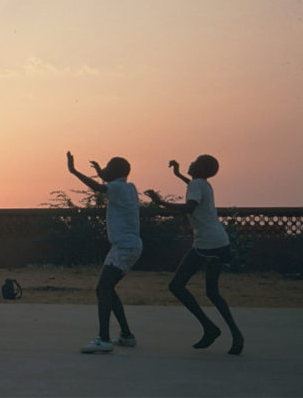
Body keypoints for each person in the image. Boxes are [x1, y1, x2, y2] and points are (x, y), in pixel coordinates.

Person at [145, 155, 244, 355]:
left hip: (206, 243)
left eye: (195, 162)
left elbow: (190, 206)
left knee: (176, 286)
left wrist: (160, 202)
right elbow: (193, 188)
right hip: (220, 241)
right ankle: (236, 335)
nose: (191, 163)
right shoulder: (203, 183)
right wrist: (178, 174)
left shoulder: (197, 185)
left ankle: (209, 328)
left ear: (201, 169)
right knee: (213, 293)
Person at [67, 151, 142, 354]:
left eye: (107, 167)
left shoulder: (116, 188)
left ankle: (104, 339)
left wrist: (74, 171)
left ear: (115, 172)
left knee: (102, 289)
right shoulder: (129, 187)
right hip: (127, 246)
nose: (103, 171)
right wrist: (101, 171)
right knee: (108, 288)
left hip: (124, 247)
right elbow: (107, 181)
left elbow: (99, 187)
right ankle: (126, 335)